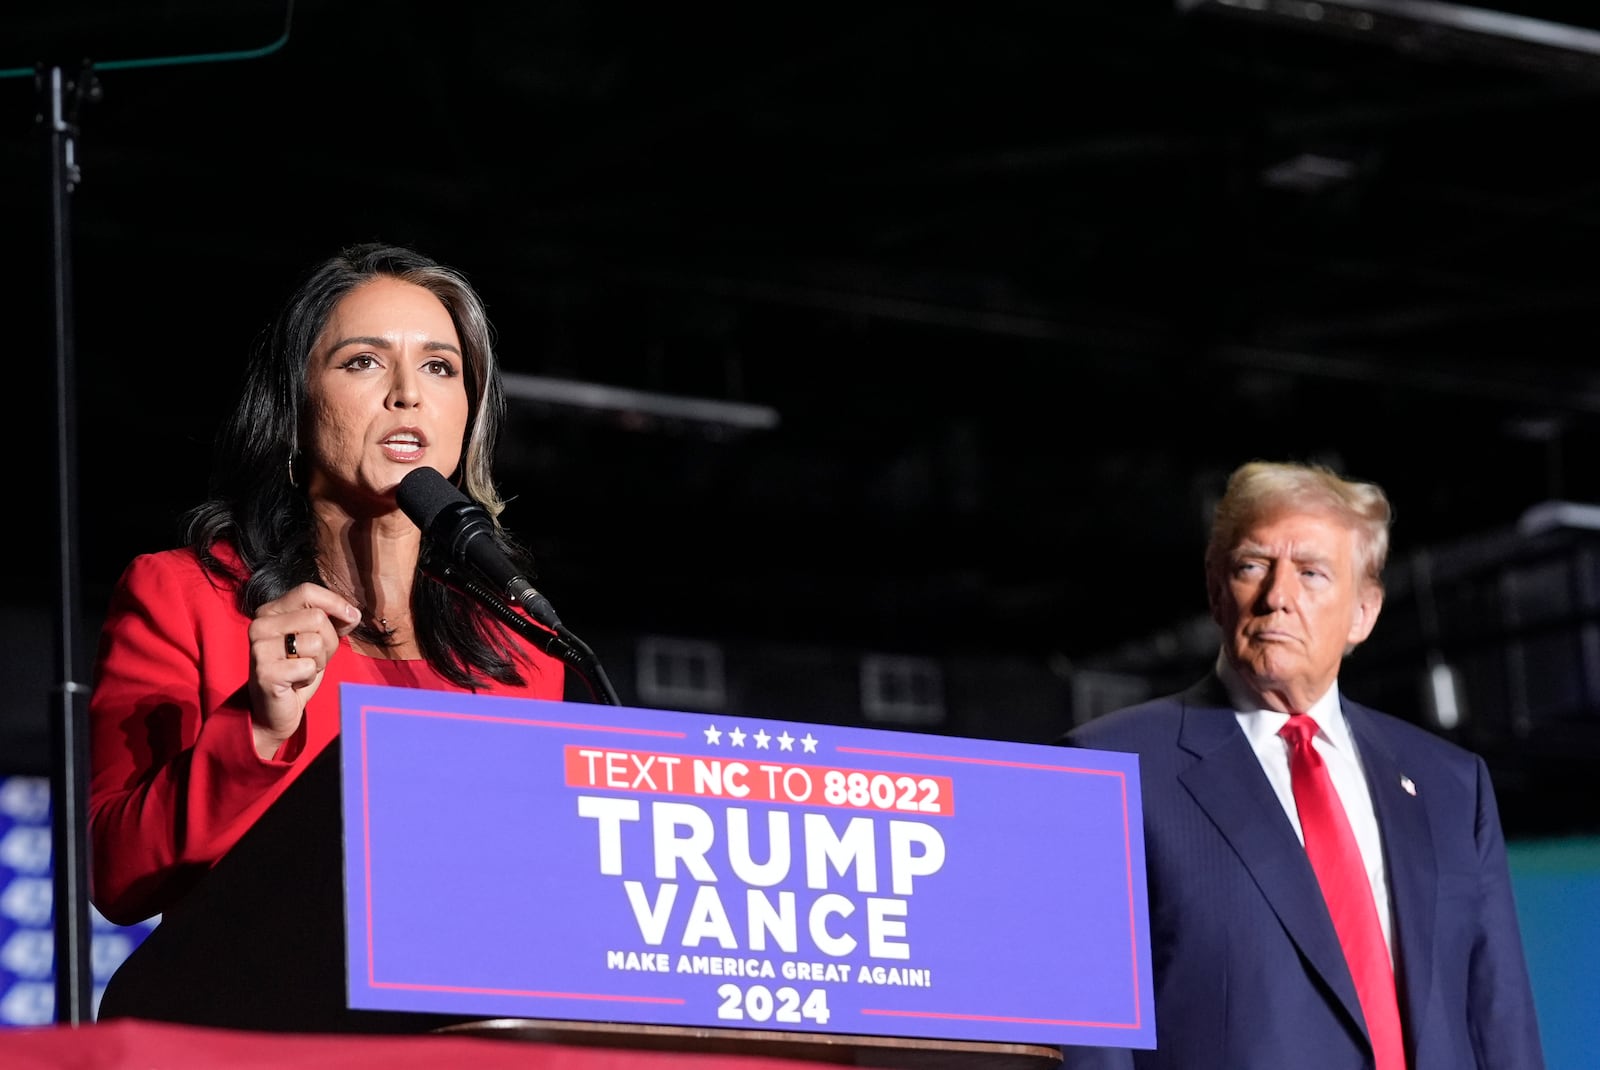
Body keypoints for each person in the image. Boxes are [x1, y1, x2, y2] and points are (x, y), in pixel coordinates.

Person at [87, 242, 568, 931]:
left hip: (464, 1027)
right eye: (364, 362)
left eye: (439, 367)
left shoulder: (520, 640)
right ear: (295, 404)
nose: (408, 393)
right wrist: (255, 727)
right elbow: (118, 874)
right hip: (261, 1022)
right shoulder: (182, 598)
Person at [1059, 460, 1545, 1070]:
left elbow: (1500, 1022)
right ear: (1215, 590)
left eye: (1311, 572)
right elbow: (1091, 1043)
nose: (1277, 596)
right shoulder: (1109, 769)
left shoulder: (1453, 784)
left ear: (1363, 613)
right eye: (1252, 566)